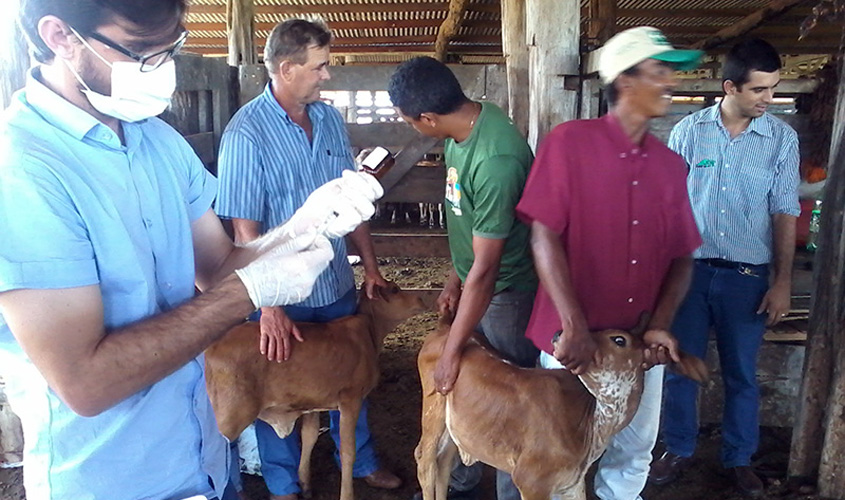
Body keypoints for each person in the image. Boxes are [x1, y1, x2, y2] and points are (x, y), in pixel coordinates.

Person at [0, 2, 382, 500]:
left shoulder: (157, 139)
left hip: (202, 460)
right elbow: (85, 382)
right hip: (116, 479)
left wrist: (301, 227)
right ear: (60, 36)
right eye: (142, 53)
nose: (163, 71)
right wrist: (252, 293)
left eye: (170, 50)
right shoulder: (23, 168)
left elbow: (219, 266)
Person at [215, 19, 400, 500]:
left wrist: (372, 266)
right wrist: (268, 306)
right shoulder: (246, 133)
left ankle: (360, 465)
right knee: (272, 385)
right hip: (281, 292)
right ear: (285, 68)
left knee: (350, 377)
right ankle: (282, 483)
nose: (327, 76)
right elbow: (244, 229)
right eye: (319, 67)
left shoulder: (331, 120)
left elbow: (351, 197)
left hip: (335, 282)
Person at [515, 27, 703, 500]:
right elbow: (544, 234)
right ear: (624, 81)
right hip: (572, 343)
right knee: (559, 452)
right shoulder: (569, 143)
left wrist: (659, 325)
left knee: (634, 451)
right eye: (659, 72)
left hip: (638, 343)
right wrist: (573, 324)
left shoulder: (668, 166)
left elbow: (682, 256)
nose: (670, 83)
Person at [650, 38, 800, 497]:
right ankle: (678, 447)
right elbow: (669, 208)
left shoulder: (781, 139)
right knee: (681, 364)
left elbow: (784, 212)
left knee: (741, 373)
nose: (768, 100)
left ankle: (738, 457)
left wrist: (782, 282)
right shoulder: (689, 132)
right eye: (759, 90)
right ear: (730, 86)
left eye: (773, 89)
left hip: (747, 277)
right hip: (689, 273)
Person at [388, 56, 540, 500]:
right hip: (476, 284)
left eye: (410, 121)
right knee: (472, 392)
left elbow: (489, 269)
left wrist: (452, 348)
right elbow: (466, 220)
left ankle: (510, 493)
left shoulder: (496, 158)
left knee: (508, 402)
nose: (412, 126)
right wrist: (455, 276)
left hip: (506, 294)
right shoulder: (460, 134)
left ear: (429, 117)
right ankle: (461, 481)